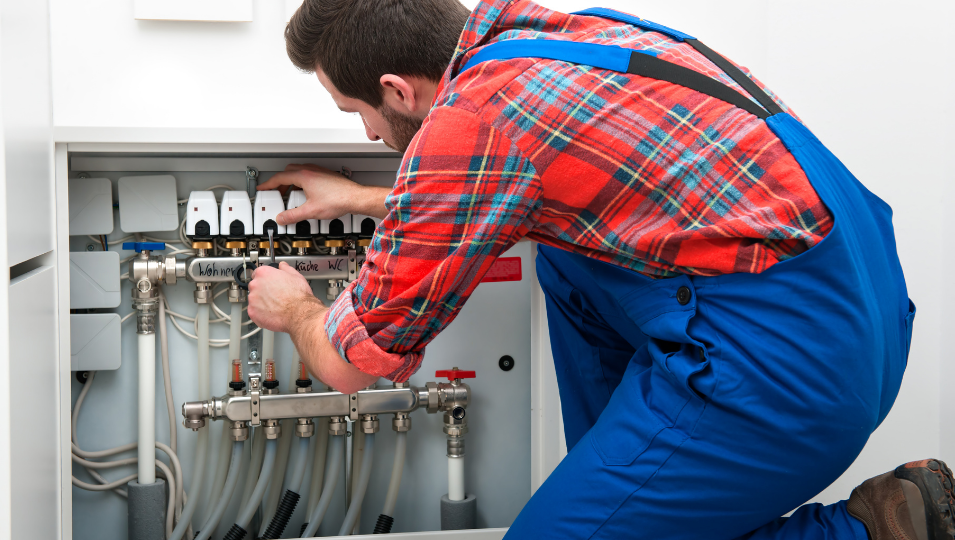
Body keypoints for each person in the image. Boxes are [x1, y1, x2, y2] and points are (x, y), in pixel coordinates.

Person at [245, 1, 955, 538]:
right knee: (562, 251)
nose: (366, 134)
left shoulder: (471, 120)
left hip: (791, 366)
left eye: (356, 110)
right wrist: (376, 198)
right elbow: (508, 189)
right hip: (861, 299)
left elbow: (350, 362)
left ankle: (870, 529)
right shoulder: (546, 33)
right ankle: (630, 500)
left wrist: (295, 307)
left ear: (398, 89)